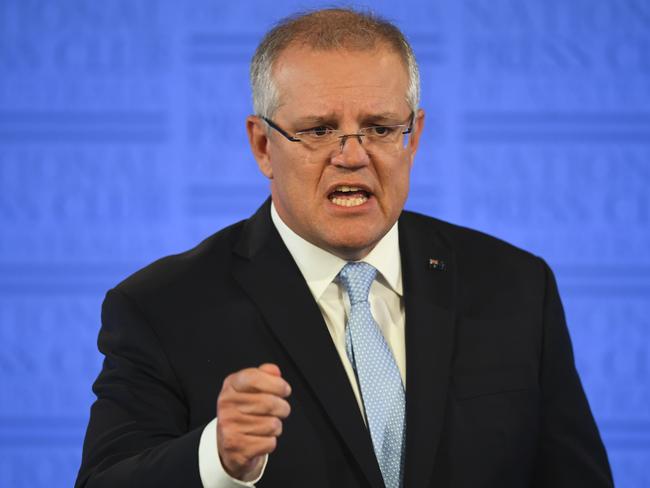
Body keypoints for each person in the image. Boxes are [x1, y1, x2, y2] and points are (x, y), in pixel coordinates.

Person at [75, 8, 613, 488]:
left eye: (379, 128)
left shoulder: (515, 285)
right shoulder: (163, 306)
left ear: (414, 136)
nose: (351, 156)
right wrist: (215, 460)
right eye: (319, 130)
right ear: (263, 145)